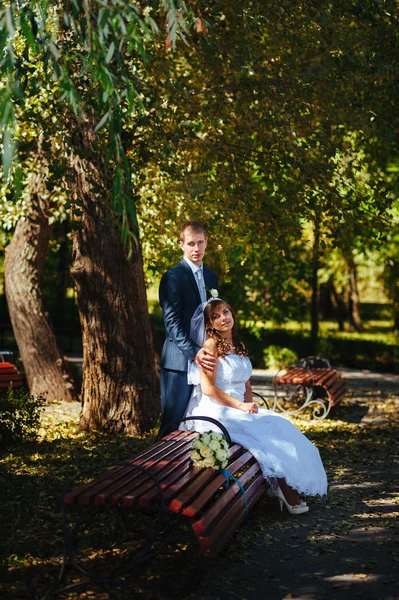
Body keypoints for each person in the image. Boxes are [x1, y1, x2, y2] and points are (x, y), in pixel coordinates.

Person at [182, 298, 328, 514]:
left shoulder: (238, 344)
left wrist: (248, 404)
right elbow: (208, 389)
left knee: (282, 425)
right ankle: (284, 490)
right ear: (209, 324)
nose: (223, 318)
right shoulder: (210, 346)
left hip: (239, 407)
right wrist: (240, 406)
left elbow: (245, 381)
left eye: (226, 312)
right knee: (265, 435)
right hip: (217, 409)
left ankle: (291, 483)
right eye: (216, 316)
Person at [159, 221, 219, 434]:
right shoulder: (172, 277)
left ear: (206, 243)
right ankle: (160, 468)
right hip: (179, 363)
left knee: (200, 421)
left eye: (200, 243)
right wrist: (195, 353)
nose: (196, 249)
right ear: (181, 245)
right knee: (172, 424)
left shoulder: (212, 277)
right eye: (191, 243)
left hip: (207, 360)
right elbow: (172, 323)